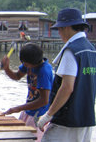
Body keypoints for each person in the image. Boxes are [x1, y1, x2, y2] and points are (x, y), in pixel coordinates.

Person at [37, 8, 96, 142]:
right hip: (86, 117)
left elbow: (67, 87)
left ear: (67, 28)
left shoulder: (72, 51)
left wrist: (48, 114)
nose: (60, 34)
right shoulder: (91, 49)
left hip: (67, 120)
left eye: (60, 29)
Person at [1, 43, 53, 141]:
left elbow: (44, 100)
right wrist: (6, 68)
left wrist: (17, 108)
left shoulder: (44, 72)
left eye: (26, 64)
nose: (26, 69)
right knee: (21, 137)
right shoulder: (29, 64)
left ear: (34, 62)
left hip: (39, 114)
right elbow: (17, 76)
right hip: (28, 110)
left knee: (33, 138)